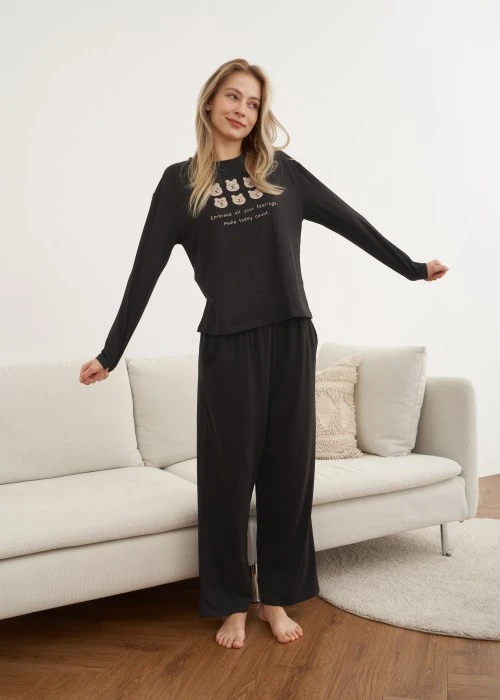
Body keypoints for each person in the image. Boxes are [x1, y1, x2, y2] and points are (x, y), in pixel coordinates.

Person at [79, 58, 449, 648]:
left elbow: (348, 220)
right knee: (226, 481)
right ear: (209, 102)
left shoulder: (281, 172)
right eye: (233, 97)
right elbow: (143, 270)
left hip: (291, 336)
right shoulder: (178, 184)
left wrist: (409, 268)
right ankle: (230, 603)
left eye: (253, 104)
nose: (242, 110)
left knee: (287, 474)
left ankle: (275, 598)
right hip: (228, 343)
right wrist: (111, 351)